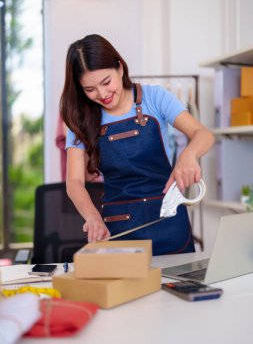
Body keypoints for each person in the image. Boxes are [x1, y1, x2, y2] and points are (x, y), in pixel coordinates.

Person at [60, 34, 214, 256]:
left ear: (120, 68)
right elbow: (74, 182)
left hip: (169, 224)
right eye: (89, 89)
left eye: (106, 82)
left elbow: (203, 134)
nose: (102, 94)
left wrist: (188, 156)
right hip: (118, 230)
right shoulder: (80, 118)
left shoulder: (155, 98)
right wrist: (93, 218)